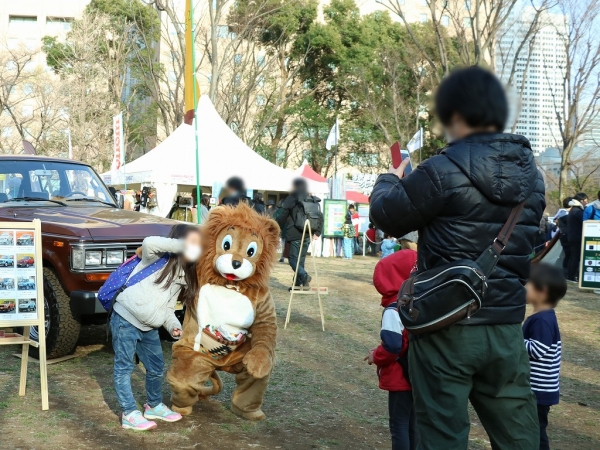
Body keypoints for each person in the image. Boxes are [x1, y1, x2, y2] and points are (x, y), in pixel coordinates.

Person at [369, 66, 545, 449]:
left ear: (455, 115)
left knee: (442, 435)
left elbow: (386, 217)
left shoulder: (441, 170)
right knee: (519, 437)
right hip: (505, 327)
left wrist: (389, 178)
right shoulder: (534, 177)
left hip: (445, 325)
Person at [110, 224, 202, 431]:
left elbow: (168, 309)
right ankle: (129, 412)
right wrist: (185, 245)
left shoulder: (183, 276)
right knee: (124, 367)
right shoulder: (156, 257)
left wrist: (173, 327)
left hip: (149, 326)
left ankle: (153, 406)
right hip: (126, 317)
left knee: (156, 368)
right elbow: (149, 242)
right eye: (192, 243)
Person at [366, 250, 419, 450]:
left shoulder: (393, 309)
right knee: (413, 425)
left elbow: (393, 345)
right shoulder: (419, 303)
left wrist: (375, 356)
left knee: (399, 425)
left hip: (400, 377)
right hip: (417, 373)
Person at [523, 263, 565, 450]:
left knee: (536, 431)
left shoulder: (542, 320)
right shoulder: (544, 317)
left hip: (538, 391)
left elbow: (538, 350)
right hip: (539, 390)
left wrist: (513, 339)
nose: (523, 287)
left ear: (542, 291)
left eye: (527, 284)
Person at [275, 178, 323, 288]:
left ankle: (304, 276)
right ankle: (299, 283)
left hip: (294, 233)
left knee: (293, 260)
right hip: (307, 233)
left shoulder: (292, 198)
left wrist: (278, 228)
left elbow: (282, 216)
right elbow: (320, 216)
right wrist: (317, 232)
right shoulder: (311, 198)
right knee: (300, 261)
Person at [567, 192, 588, 282]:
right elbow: (585, 222)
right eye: (586, 200)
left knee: (573, 256)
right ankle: (571, 276)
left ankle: (571, 275)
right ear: (581, 200)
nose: (587, 202)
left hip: (573, 236)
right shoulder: (578, 211)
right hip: (577, 237)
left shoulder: (574, 210)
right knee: (575, 257)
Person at [555, 197, 572, 277]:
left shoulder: (560, 212)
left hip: (563, 235)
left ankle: (565, 271)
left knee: (567, 254)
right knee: (569, 254)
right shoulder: (565, 213)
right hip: (566, 236)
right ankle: (566, 272)